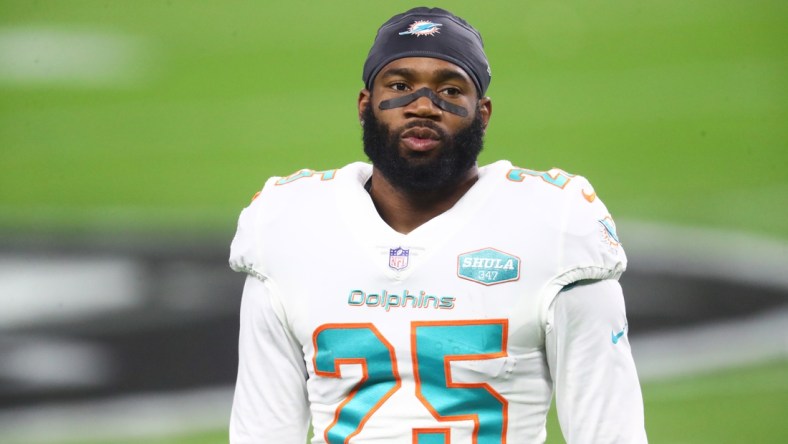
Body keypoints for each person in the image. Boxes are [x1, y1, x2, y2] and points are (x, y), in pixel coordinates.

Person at [229, 6, 647, 443]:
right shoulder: (289, 225)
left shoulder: (556, 227)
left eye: (450, 89)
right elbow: (262, 431)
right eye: (400, 85)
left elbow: (609, 432)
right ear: (365, 105)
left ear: (482, 113)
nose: (423, 106)